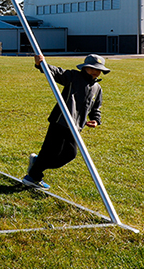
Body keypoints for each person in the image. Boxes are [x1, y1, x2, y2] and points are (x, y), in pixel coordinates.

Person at [22, 53, 110, 190]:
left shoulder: (97, 89)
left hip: (75, 127)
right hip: (60, 121)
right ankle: (33, 177)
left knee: (69, 154)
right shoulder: (73, 77)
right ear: (85, 68)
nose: (96, 72)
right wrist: (41, 64)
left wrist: (96, 120)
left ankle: (36, 162)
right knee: (49, 151)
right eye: (93, 68)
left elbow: (96, 108)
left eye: (99, 70)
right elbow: (56, 72)